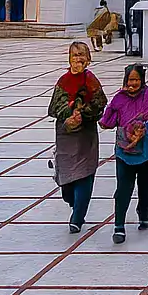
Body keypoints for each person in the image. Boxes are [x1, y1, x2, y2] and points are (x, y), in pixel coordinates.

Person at [100, 64, 148, 243]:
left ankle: (144, 214)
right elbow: (109, 119)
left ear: (142, 80)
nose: (132, 84)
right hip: (124, 151)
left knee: (145, 186)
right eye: (130, 80)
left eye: (136, 80)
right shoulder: (119, 97)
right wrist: (108, 114)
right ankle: (119, 226)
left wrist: (146, 129)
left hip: (146, 150)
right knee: (123, 189)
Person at [49, 41, 106, 233]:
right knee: (67, 182)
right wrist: (69, 114)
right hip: (66, 135)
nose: (78, 59)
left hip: (85, 135)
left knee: (84, 173)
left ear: (88, 59)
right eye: (75, 55)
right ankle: (74, 202)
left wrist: (84, 114)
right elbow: (54, 107)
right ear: (69, 59)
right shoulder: (63, 81)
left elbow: (100, 104)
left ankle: (78, 217)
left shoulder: (91, 81)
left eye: (82, 55)